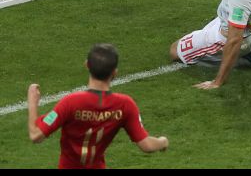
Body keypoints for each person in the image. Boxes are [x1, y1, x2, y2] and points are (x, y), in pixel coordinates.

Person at [27, 44, 168, 169]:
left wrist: (33, 103)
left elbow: (36, 135)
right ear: (115, 72)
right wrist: (163, 142)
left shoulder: (70, 103)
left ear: (87, 65)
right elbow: (147, 145)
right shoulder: (125, 105)